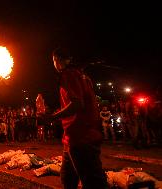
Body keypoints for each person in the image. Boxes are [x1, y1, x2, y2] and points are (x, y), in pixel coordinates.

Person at [51, 47, 107, 189]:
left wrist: (53, 117)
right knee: (67, 179)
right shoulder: (82, 75)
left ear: (57, 60)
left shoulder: (68, 74)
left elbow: (77, 104)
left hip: (81, 137)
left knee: (93, 183)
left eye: (53, 61)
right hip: (72, 137)